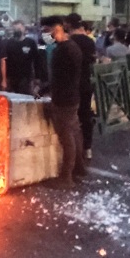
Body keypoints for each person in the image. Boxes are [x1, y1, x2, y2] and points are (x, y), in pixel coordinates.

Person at [40, 16, 86, 188]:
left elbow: (57, 80)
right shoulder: (73, 46)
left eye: (46, 31)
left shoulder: (62, 51)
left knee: (67, 137)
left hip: (63, 100)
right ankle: (79, 169)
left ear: (56, 29)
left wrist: (39, 94)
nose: (45, 35)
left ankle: (66, 177)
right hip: (72, 97)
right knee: (74, 133)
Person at [64, 14, 97, 161]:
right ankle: (87, 148)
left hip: (71, 84)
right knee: (86, 115)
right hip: (86, 83)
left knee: (70, 118)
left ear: (69, 25)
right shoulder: (90, 42)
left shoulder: (69, 42)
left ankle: (73, 151)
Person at [4, 20, 44, 95]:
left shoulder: (30, 42)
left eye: (19, 28)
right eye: (15, 29)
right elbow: (5, 61)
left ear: (24, 29)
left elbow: (36, 60)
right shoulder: (8, 43)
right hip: (11, 77)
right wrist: (5, 78)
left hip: (26, 78)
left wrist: (37, 77)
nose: (17, 30)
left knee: (25, 99)